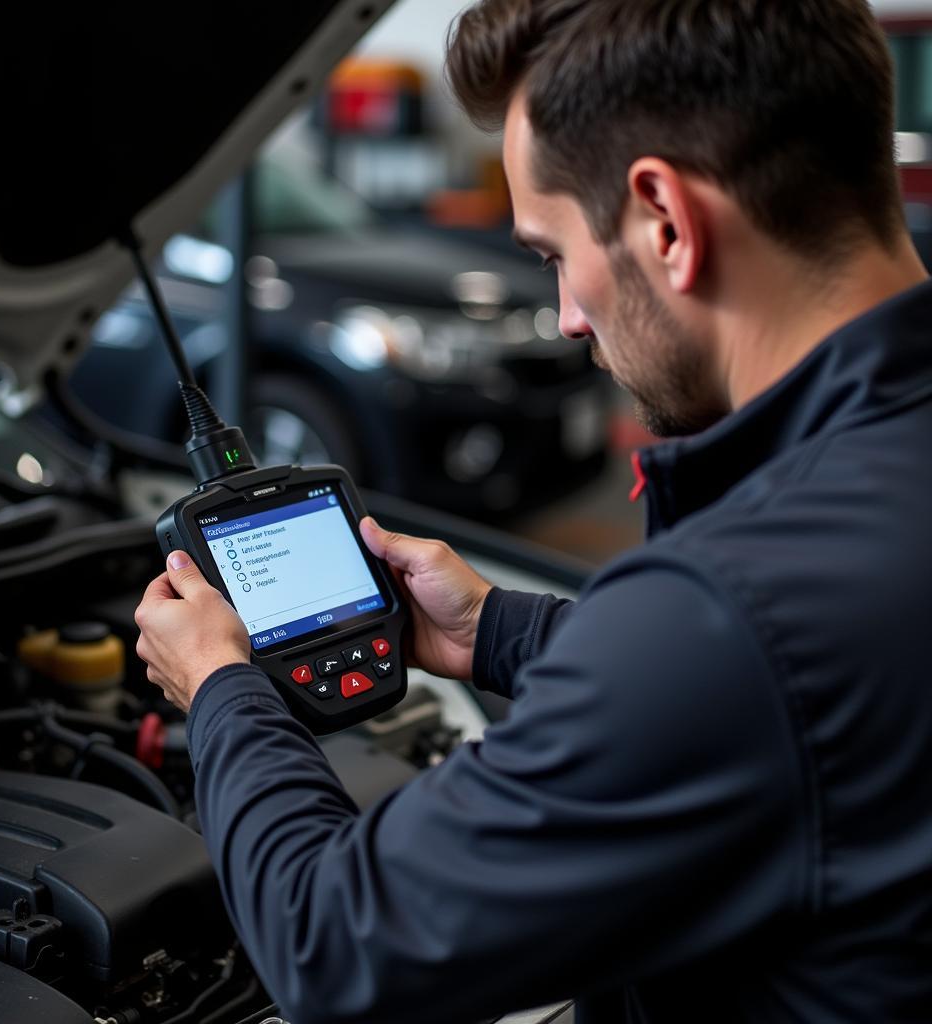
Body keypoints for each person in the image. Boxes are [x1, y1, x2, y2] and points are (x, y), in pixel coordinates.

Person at [134, 1, 932, 1020]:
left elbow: (331, 940)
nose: (563, 316)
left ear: (664, 220)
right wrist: (499, 631)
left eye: (553, 252)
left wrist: (221, 687)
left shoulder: (737, 606)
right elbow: (786, 705)